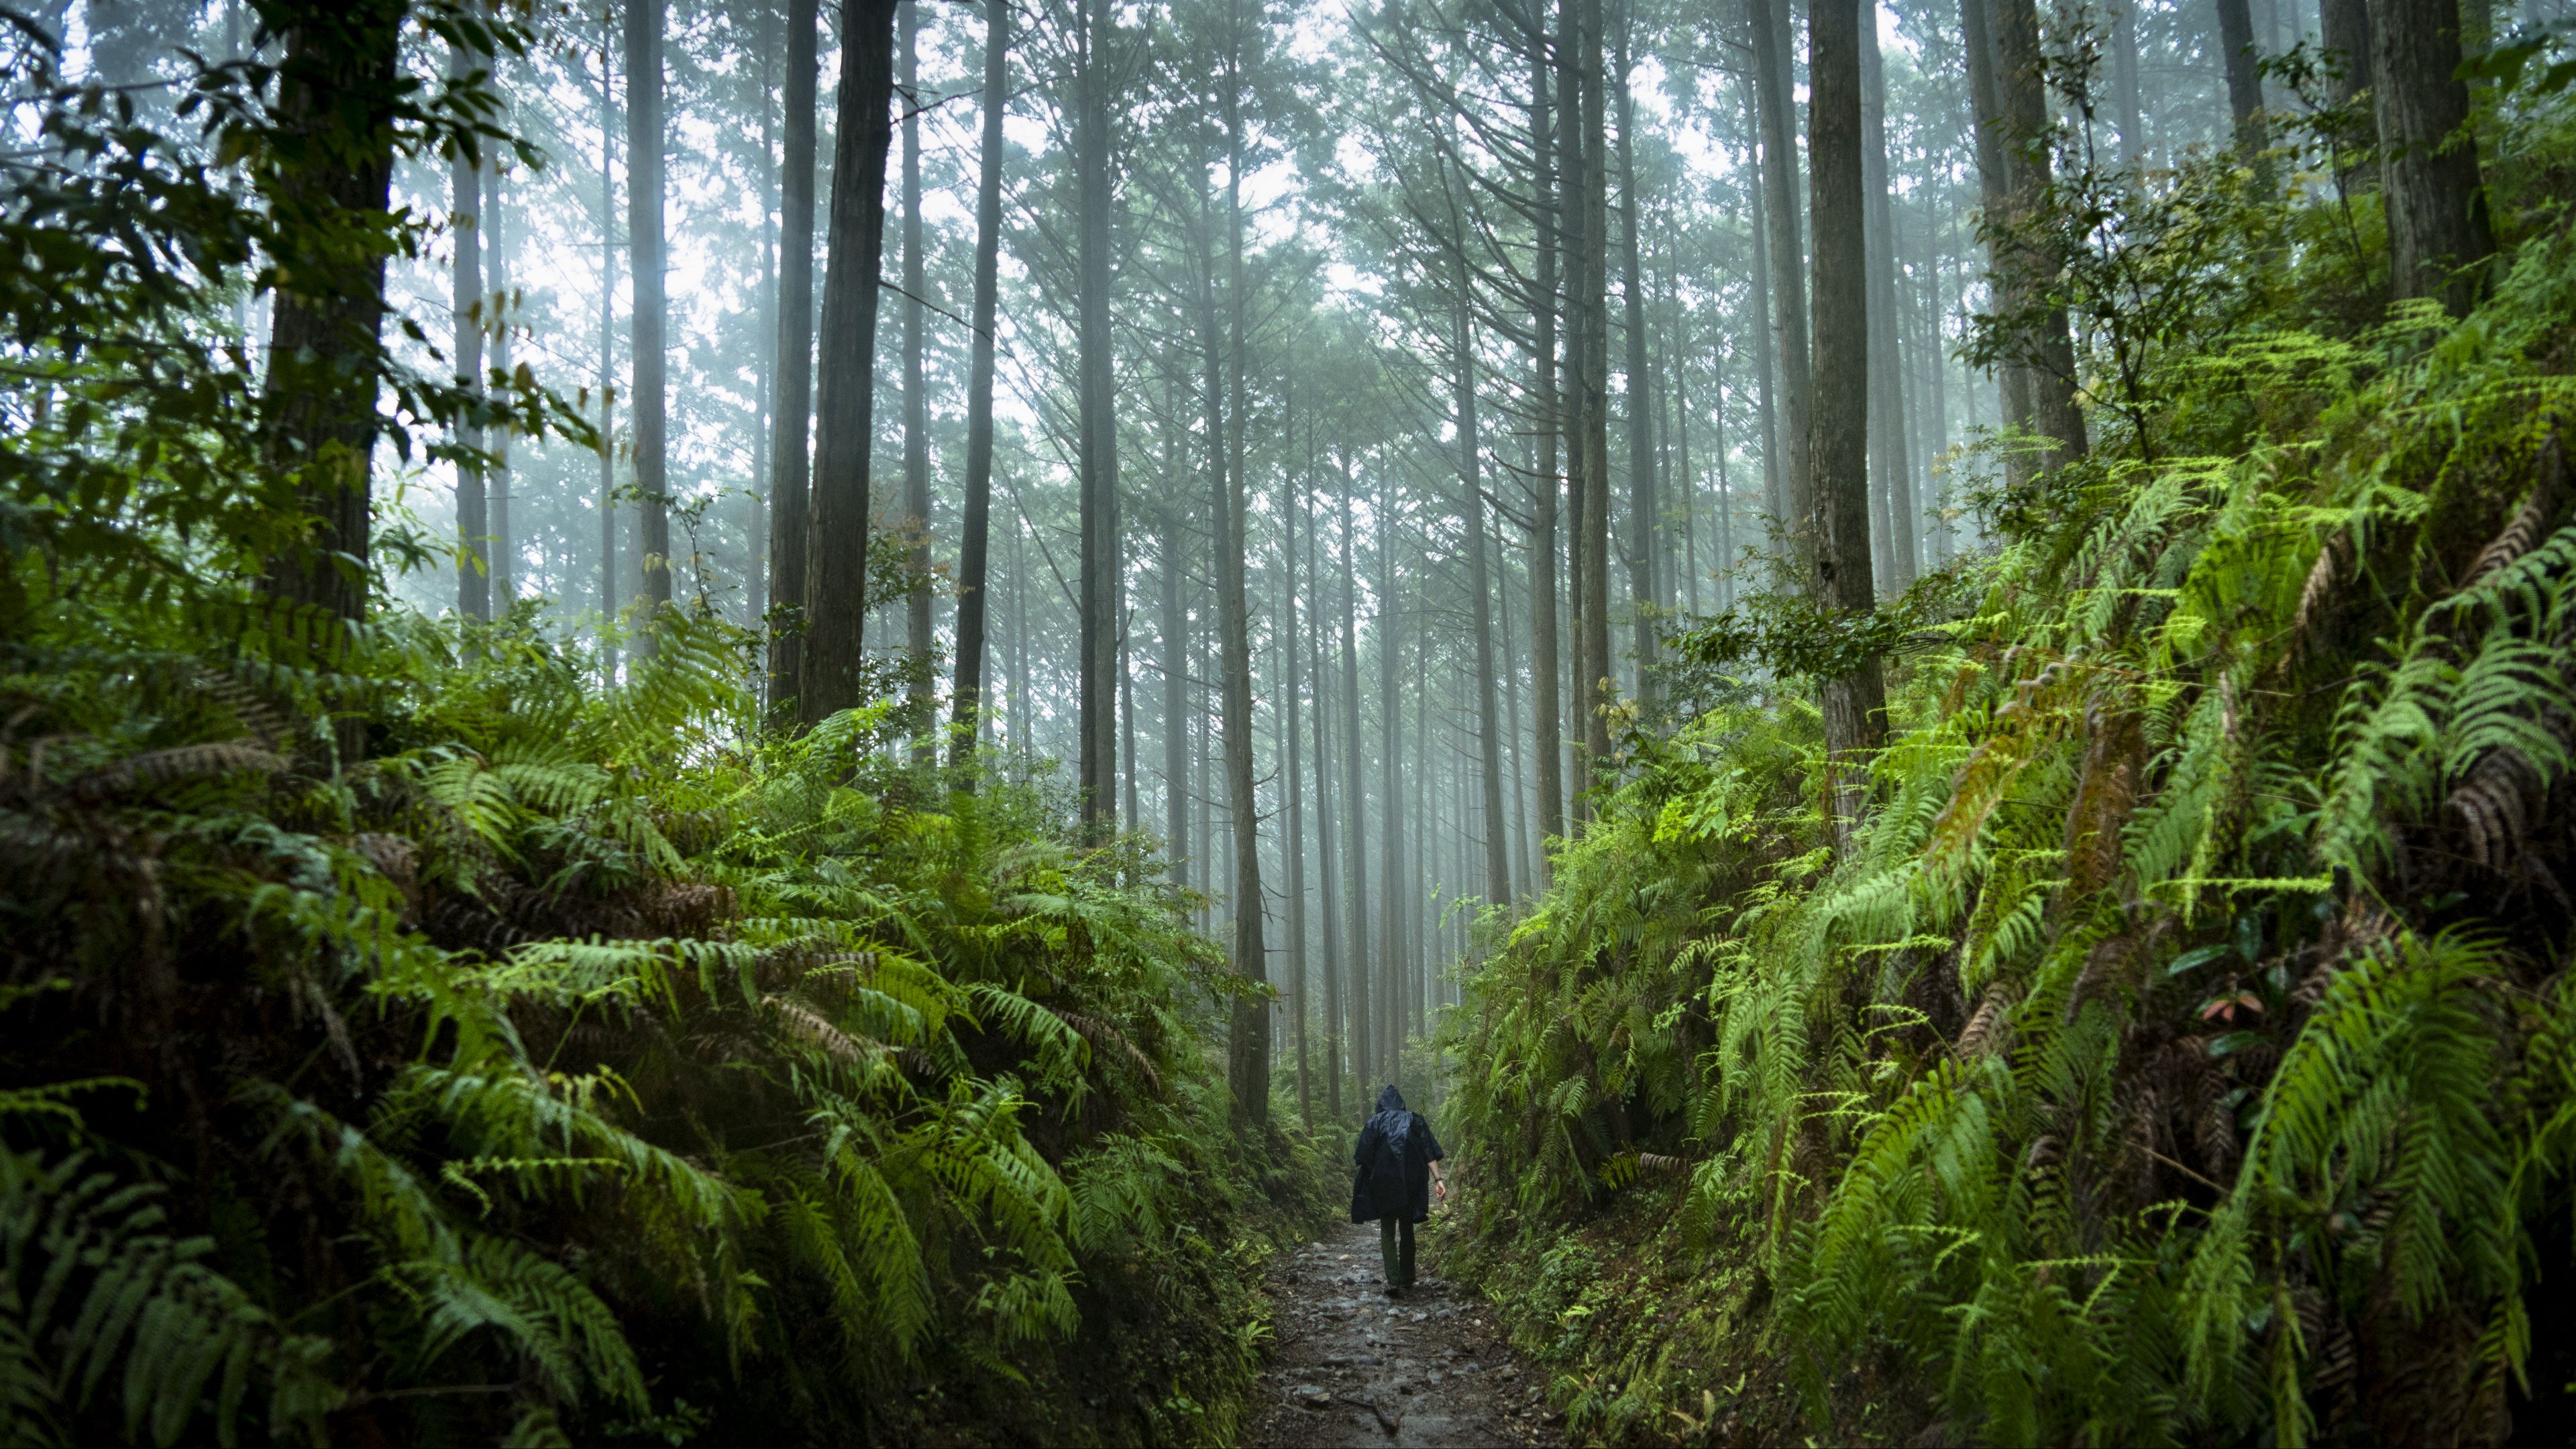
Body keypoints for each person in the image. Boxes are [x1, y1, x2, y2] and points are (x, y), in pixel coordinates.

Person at [1349, 1084, 1446, 1297]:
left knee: (1387, 1230)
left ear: (1381, 1104)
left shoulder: (1375, 1122)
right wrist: (1438, 1179)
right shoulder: (1415, 1120)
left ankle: (1393, 1279)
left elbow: (1364, 1157)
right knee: (1407, 1227)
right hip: (1411, 1183)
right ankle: (1408, 1277)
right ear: (1401, 1103)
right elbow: (1429, 1152)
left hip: (1384, 1185)